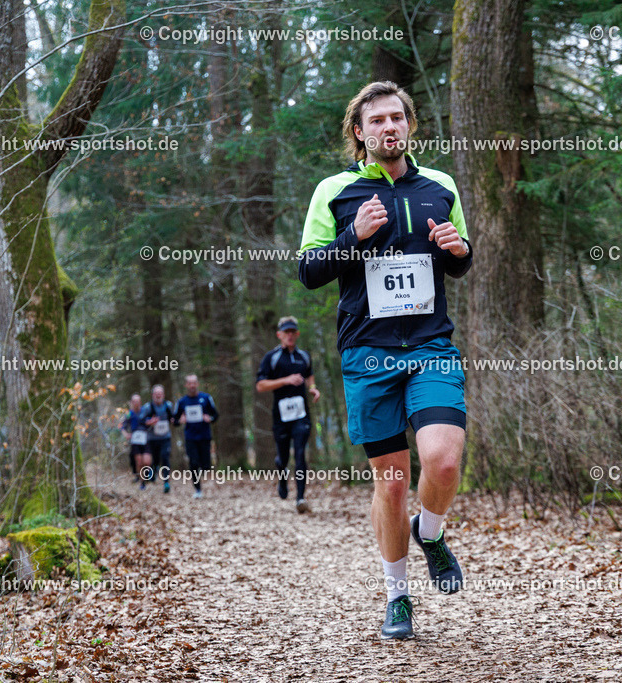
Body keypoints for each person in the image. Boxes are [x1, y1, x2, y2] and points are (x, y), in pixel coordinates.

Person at [298, 81, 473, 639]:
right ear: (359, 132)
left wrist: (458, 250)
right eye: (376, 121)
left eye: (397, 118)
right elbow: (308, 271)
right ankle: (398, 597)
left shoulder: (440, 186)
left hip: (430, 346)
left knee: (442, 462)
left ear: (410, 125)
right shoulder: (335, 191)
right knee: (393, 484)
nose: (388, 128)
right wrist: (354, 234)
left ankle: (432, 531)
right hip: (368, 352)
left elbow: (460, 261)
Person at [256, 316, 321, 513]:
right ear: (280, 335)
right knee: (282, 458)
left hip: (301, 414)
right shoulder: (272, 358)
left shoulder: (304, 356)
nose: (290, 336)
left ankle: (300, 497)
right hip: (281, 415)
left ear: (297, 334)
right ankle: (282, 479)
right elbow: (260, 385)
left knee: (300, 453)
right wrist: (286, 380)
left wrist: (313, 388)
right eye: (286, 332)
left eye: (293, 332)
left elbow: (309, 374)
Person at [172, 374, 219, 498]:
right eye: (190, 383)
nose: (192, 385)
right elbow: (174, 420)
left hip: (205, 436)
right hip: (190, 437)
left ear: (197, 384)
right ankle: (198, 490)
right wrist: (180, 420)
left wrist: (210, 418)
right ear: (186, 385)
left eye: (194, 383)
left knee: (206, 465)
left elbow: (216, 415)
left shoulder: (206, 398)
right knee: (193, 463)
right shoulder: (182, 402)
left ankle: (202, 473)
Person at [140, 385, 175, 494]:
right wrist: (150, 422)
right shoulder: (147, 407)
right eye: (156, 393)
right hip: (152, 439)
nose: (158, 395)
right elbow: (141, 421)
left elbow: (173, 418)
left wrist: (175, 420)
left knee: (165, 457)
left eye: (160, 393)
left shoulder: (168, 405)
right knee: (154, 460)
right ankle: (154, 470)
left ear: (163, 395)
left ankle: (166, 482)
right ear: (153, 395)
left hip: (165, 437)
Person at [120, 394, 152, 490]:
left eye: (138, 401)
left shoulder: (145, 411)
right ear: (131, 403)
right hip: (135, 440)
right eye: (134, 401)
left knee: (146, 461)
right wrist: (126, 434)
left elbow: (151, 420)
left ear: (140, 402)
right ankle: (142, 482)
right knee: (139, 461)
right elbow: (122, 426)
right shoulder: (129, 413)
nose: (136, 403)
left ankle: (148, 474)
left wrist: (152, 422)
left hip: (145, 438)